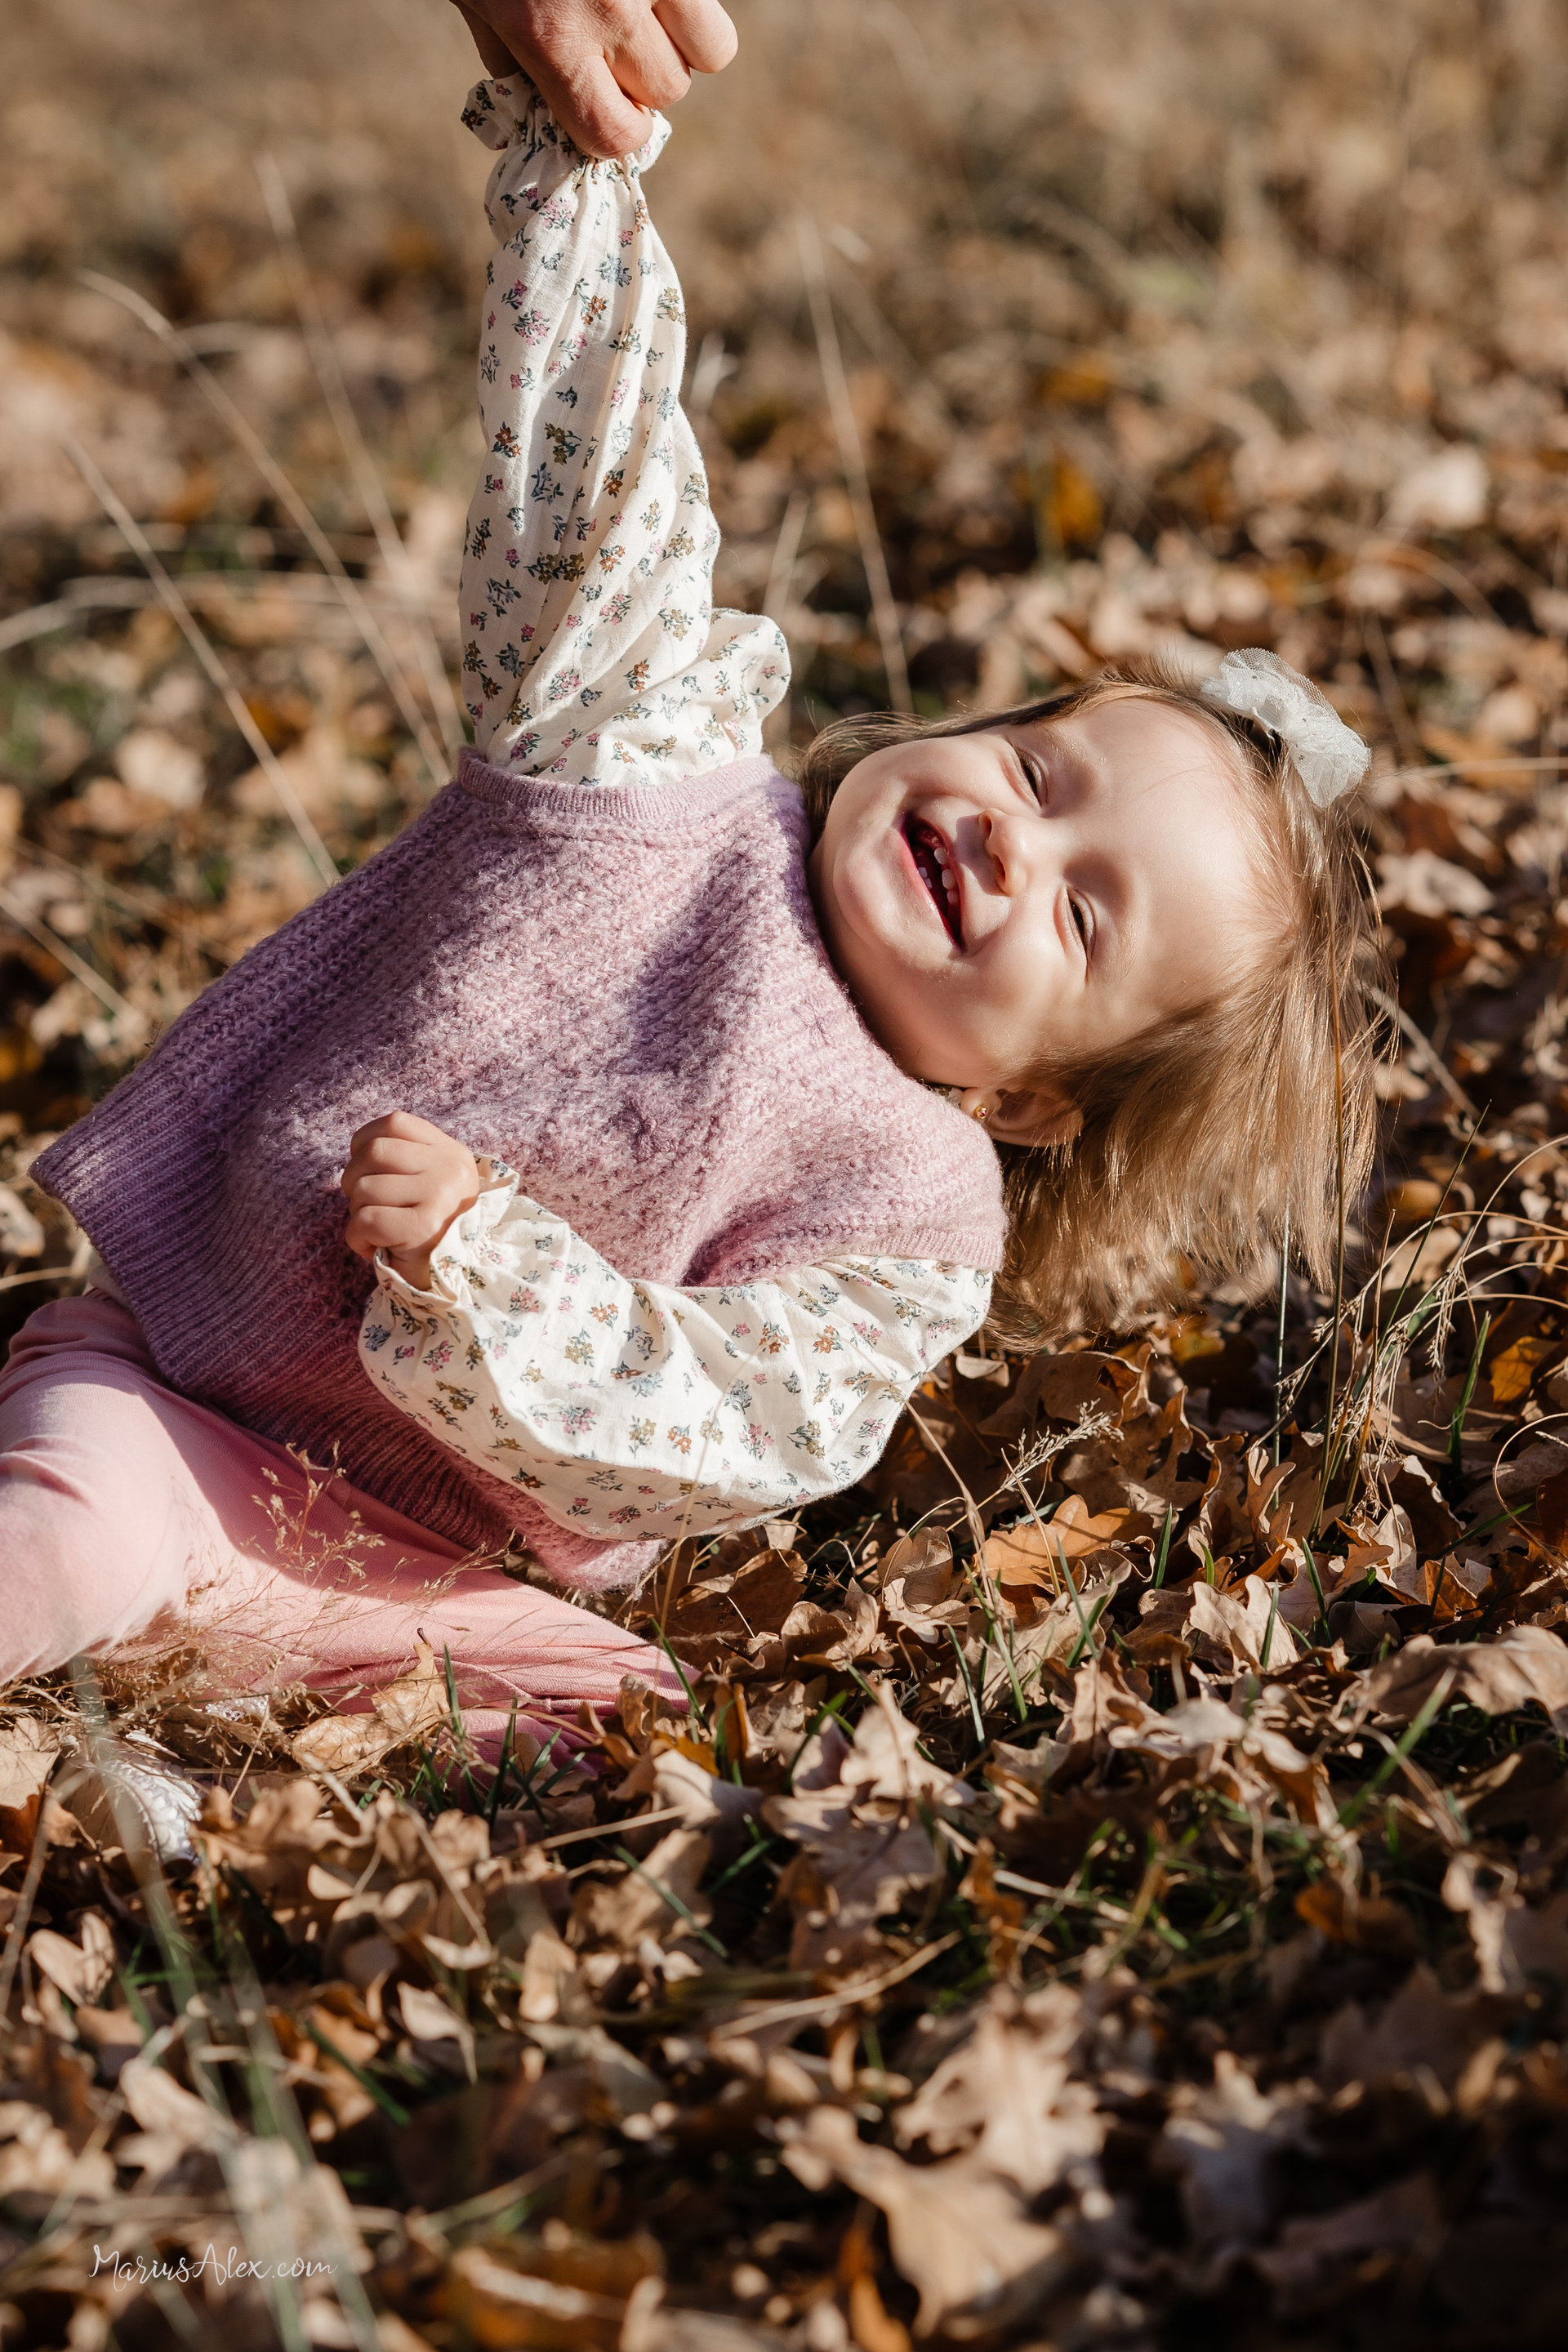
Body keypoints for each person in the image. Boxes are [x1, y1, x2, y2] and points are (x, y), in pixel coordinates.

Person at [2, 0, 1381, 1760]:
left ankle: (229, 1674)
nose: (1011, 839)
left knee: (633, 1736)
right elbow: (600, 487)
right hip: (183, 1393)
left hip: (436, 1567)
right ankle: (123, 1602)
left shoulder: (916, 1217)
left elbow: (727, 1424)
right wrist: (575, 166)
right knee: (73, 1527)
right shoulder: (646, 756)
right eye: (1040, 774)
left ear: (1035, 1098)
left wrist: (492, 1268)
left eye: (1080, 912)